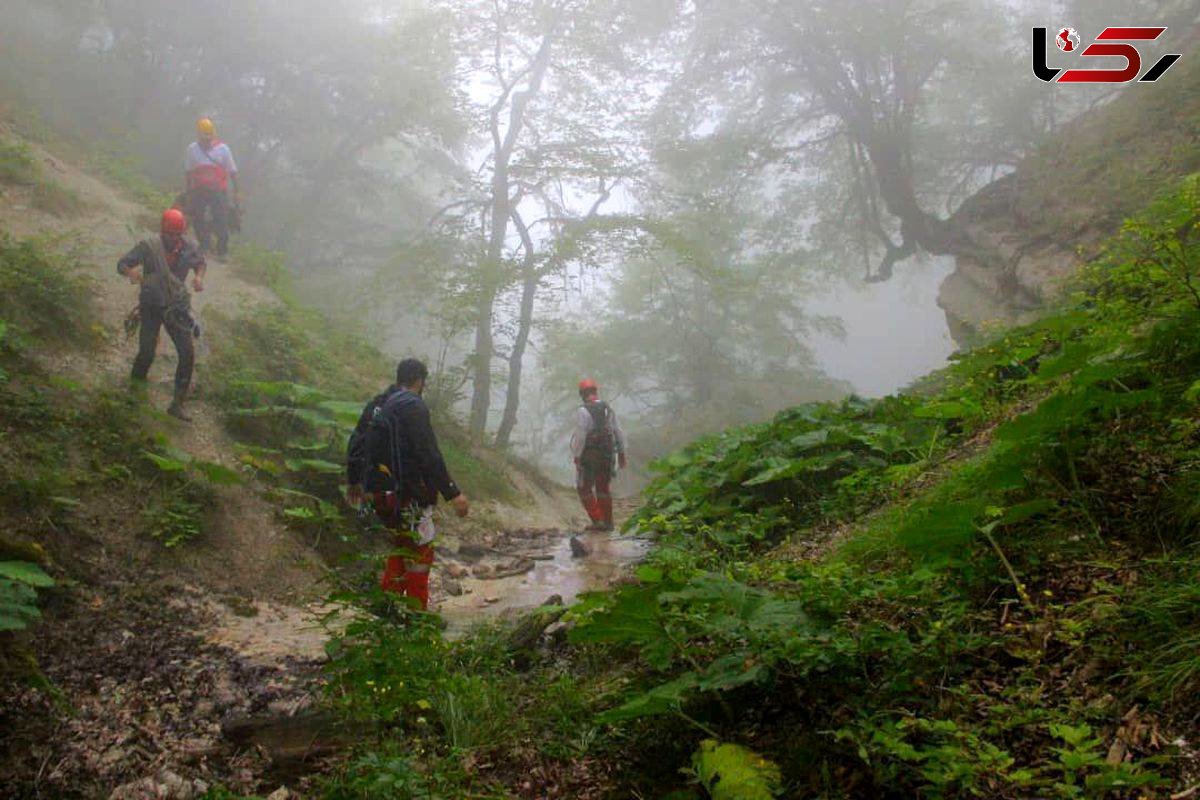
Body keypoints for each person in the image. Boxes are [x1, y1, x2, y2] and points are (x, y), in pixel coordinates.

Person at [346, 358, 470, 610]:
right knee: (421, 550)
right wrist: (452, 492)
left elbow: (357, 440)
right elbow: (428, 453)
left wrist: (354, 480)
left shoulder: (380, 404)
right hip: (408, 493)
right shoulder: (412, 406)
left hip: (379, 493)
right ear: (420, 381)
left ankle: (387, 608)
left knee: (402, 545)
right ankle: (417, 615)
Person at [117, 208, 206, 421]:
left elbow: (200, 263)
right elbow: (122, 263)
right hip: (151, 305)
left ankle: (177, 404)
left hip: (176, 307)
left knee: (187, 353)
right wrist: (132, 273)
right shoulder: (149, 246)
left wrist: (199, 277)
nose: (173, 238)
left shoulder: (189, 248)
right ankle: (135, 391)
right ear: (162, 231)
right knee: (147, 352)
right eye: (170, 234)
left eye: (177, 234)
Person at [571, 378, 626, 532]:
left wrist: (577, 455)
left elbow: (581, 436)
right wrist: (621, 452)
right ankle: (608, 523)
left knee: (584, 488)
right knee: (603, 489)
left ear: (582, 394)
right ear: (595, 391)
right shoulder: (607, 408)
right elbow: (617, 431)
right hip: (608, 455)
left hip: (589, 455)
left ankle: (598, 521)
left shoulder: (583, 411)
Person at [185, 117, 240, 258]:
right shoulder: (193, 149)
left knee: (221, 219)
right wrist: (188, 191)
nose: (207, 141)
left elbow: (233, 171)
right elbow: (189, 172)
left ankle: (222, 251)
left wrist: (237, 191)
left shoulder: (223, 149)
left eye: (209, 138)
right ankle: (204, 245)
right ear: (199, 136)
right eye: (204, 138)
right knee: (197, 218)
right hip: (199, 190)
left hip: (218, 191)